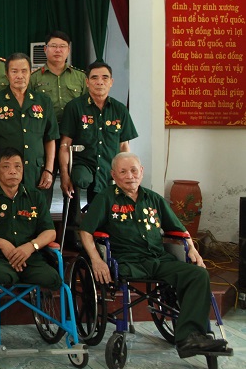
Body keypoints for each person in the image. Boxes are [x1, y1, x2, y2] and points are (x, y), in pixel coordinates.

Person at [80, 153, 228, 358]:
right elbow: (86, 231)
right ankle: (190, 337)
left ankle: (190, 337)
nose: (130, 176)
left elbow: (179, 229)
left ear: (141, 171)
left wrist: (192, 248)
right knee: (190, 274)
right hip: (127, 262)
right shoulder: (105, 198)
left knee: (197, 274)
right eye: (123, 172)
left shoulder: (153, 199)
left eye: (134, 170)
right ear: (113, 175)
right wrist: (96, 260)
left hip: (158, 260)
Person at [0, 147, 62, 291]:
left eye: (18, 166)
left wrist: (31, 246)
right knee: (3, 276)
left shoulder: (35, 196)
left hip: (31, 257)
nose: (13, 171)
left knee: (53, 278)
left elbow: (50, 232)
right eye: (6, 166)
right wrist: (1, 243)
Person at [0, 53, 59, 201]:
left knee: (38, 212)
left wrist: (49, 170)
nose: (19, 76)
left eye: (24, 71)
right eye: (14, 71)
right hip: (4, 172)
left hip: (36, 173)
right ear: (7, 74)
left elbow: (50, 138)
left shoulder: (43, 101)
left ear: (30, 73)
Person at [59, 61, 138, 204]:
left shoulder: (120, 109)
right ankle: (75, 218)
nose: (100, 82)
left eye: (105, 78)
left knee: (107, 200)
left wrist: (126, 172)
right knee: (80, 179)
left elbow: (124, 146)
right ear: (87, 82)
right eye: (94, 78)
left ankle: (99, 216)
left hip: (110, 165)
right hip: (83, 164)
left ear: (111, 82)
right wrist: (64, 176)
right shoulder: (74, 107)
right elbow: (65, 144)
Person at [29, 31, 86, 124]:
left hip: (74, 128)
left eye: (62, 46)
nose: (58, 50)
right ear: (45, 49)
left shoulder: (81, 76)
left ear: (68, 50)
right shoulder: (33, 77)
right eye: (53, 46)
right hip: (44, 127)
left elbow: (87, 105)